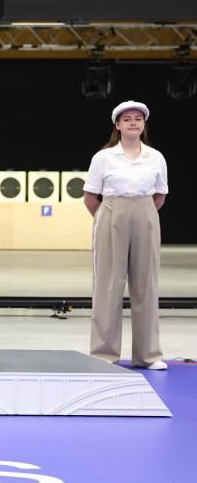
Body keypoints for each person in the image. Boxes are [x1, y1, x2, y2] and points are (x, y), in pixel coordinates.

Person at [84, 101, 168, 370]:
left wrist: (140, 214)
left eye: (138, 119)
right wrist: (109, 217)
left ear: (144, 125)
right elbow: (89, 197)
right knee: (109, 285)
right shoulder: (104, 157)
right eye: (127, 119)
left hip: (145, 210)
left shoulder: (155, 157)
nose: (133, 122)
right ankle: (104, 353)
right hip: (111, 211)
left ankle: (149, 355)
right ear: (117, 125)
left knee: (147, 285)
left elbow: (160, 195)